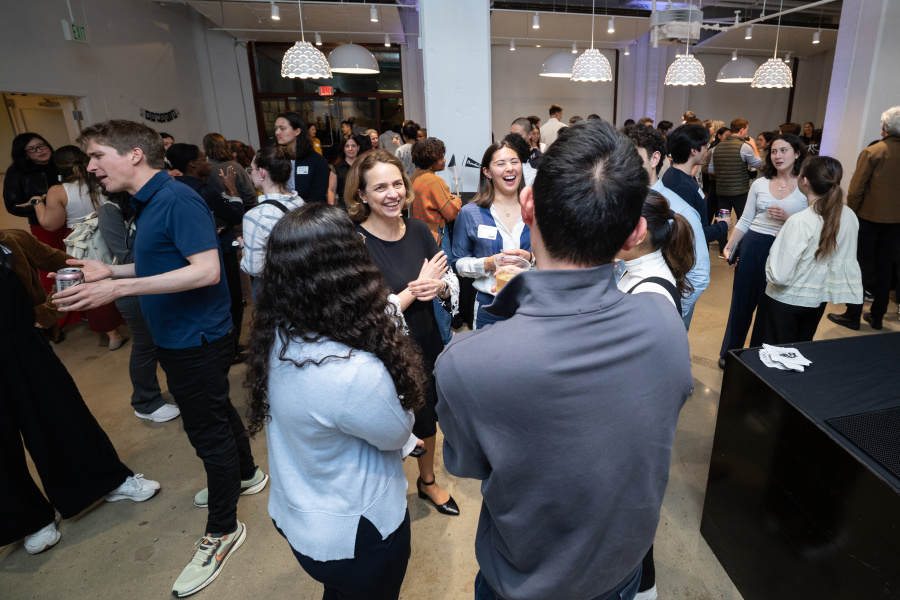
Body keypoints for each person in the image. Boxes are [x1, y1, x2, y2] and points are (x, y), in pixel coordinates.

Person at [435, 119, 692, 600]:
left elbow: (467, 462)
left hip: (522, 581)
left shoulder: (465, 364)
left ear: (528, 205)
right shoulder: (665, 323)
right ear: (635, 232)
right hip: (621, 573)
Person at [54, 120, 266, 598]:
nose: (91, 166)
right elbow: (166, 262)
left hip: (195, 337)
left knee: (206, 429)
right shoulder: (150, 202)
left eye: (97, 155)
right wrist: (110, 271)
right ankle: (247, 474)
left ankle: (223, 529)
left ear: (134, 154)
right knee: (216, 409)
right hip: (179, 334)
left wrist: (119, 288)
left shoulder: (176, 199)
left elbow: (206, 271)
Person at [244, 203, 424, 599]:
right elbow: (397, 433)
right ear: (346, 268)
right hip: (358, 536)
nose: (363, 239)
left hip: (300, 519)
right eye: (355, 240)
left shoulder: (278, 333)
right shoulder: (352, 371)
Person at [0, 229, 159, 556]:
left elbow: (72, 266)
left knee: (62, 416)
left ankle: (108, 481)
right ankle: (29, 521)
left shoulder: (12, 240)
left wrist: (48, 311)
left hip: (24, 344)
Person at [346, 149, 461, 519]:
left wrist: (438, 287)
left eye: (397, 183)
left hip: (425, 340)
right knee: (385, 425)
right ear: (361, 194)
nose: (393, 193)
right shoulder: (354, 243)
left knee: (427, 417)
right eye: (380, 187)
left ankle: (427, 482)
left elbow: (448, 280)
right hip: (381, 353)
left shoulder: (418, 230)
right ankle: (386, 492)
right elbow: (367, 315)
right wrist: (416, 288)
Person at [614, 189, 695, 600]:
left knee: (630, 524)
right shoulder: (636, 271)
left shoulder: (650, 293)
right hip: (631, 426)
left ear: (638, 232)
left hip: (633, 433)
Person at [21, 145, 128, 350]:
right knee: (124, 273)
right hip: (112, 229)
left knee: (92, 283)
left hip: (82, 239)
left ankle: (113, 335)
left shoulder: (58, 190)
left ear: (58, 167)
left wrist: (37, 203)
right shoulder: (103, 179)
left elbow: (50, 224)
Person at [719, 134, 808, 369]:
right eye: (774, 151)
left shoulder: (805, 185)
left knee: (769, 306)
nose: (777, 156)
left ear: (797, 153)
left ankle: (758, 356)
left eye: (784, 150)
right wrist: (731, 245)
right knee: (741, 302)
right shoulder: (759, 183)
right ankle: (730, 352)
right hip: (754, 245)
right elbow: (746, 219)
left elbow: (812, 224)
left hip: (783, 249)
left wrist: (788, 218)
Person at [97, 191, 180, 422]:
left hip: (156, 282)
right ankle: (145, 403)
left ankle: (172, 392)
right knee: (146, 345)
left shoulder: (146, 203)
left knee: (163, 341)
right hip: (130, 288)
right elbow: (125, 256)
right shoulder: (109, 210)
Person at [764, 156, 862, 345]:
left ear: (805, 181)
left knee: (778, 354)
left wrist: (779, 247)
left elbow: (780, 275)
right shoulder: (849, 216)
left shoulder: (800, 221)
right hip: (817, 300)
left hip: (786, 300)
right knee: (802, 348)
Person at [167, 143, 246, 363]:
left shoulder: (174, 188)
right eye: (203, 159)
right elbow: (235, 215)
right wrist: (231, 190)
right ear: (192, 163)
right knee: (232, 302)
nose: (208, 163)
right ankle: (231, 350)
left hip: (190, 256)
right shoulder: (204, 191)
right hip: (221, 253)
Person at [626, 124, 710, 329]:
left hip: (658, 319)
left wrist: (672, 315)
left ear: (655, 158)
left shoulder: (680, 209)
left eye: (632, 156)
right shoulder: (621, 201)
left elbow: (699, 274)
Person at [828, 106, 900, 331]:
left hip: (868, 218)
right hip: (895, 221)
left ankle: (853, 314)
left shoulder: (873, 152)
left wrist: (850, 215)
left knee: (859, 266)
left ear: (885, 126)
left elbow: (856, 189)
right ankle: (877, 316)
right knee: (885, 267)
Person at [451, 138, 532, 329]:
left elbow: (555, 256)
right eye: (501, 164)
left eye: (514, 162)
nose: (509, 168)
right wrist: (487, 263)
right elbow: (457, 263)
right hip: (489, 306)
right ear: (487, 172)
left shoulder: (536, 209)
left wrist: (530, 258)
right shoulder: (471, 213)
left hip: (531, 303)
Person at [411, 137, 463, 344]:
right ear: (432, 159)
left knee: (428, 283)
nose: (444, 160)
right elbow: (451, 212)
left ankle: (437, 332)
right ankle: (445, 336)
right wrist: (457, 199)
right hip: (438, 237)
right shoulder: (434, 180)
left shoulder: (415, 176)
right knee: (442, 285)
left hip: (420, 236)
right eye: (441, 157)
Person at [241, 146, 305, 300]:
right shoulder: (299, 202)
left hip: (274, 292)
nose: (250, 174)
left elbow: (254, 268)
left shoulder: (255, 216)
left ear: (262, 172)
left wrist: (243, 248)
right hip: (302, 285)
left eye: (251, 169)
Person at [3, 133, 64, 294]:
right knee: (51, 266)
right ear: (24, 154)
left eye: (41, 145)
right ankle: (57, 306)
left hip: (72, 221)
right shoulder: (16, 172)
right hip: (44, 225)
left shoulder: (61, 163)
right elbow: (12, 206)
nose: (39, 150)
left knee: (74, 261)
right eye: (32, 149)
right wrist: (40, 206)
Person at [663, 125, 730, 254]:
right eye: (705, 146)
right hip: (689, 254)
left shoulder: (681, 175)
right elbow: (689, 234)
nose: (707, 150)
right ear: (694, 151)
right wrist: (722, 226)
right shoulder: (679, 184)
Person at [710, 118, 763, 221]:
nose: (746, 133)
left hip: (721, 191)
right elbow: (757, 163)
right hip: (740, 192)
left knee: (722, 221)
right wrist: (754, 146)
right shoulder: (744, 146)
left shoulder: (716, 147)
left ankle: (721, 232)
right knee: (743, 220)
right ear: (741, 130)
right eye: (746, 130)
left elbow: (711, 170)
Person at [274, 111, 330, 204]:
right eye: (276, 128)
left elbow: (317, 198)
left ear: (297, 131)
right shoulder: (276, 159)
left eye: (282, 128)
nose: (277, 132)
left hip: (309, 211)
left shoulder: (317, 161)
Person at [202, 133, 257, 207]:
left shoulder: (204, 170)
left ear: (206, 148)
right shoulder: (236, 167)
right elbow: (250, 195)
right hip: (239, 209)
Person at [701, 126, 730, 235]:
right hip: (713, 184)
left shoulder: (729, 150)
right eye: (726, 135)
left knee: (721, 210)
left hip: (724, 185)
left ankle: (717, 233)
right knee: (710, 209)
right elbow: (705, 168)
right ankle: (707, 232)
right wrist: (719, 173)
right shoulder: (713, 149)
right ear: (719, 136)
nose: (729, 138)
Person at [329, 135, 364, 211]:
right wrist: (331, 210)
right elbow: (331, 190)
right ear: (343, 149)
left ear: (358, 148)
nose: (350, 149)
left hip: (363, 207)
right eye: (347, 146)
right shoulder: (336, 167)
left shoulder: (364, 165)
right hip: (344, 209)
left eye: (353, 146)